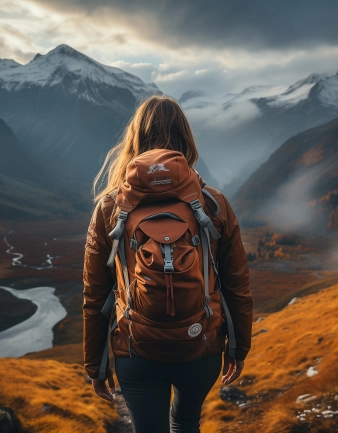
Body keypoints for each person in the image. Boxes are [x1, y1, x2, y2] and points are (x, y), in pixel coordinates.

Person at [83, 95, 252, 433]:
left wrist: (95, 365)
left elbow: (94, 294)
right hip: (200, 345)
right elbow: (237, 285)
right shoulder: (213, 203)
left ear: (134, 139)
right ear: (186, 139)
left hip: (136, 348)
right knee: (186, 422)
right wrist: (238, 347)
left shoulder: (110, 207)